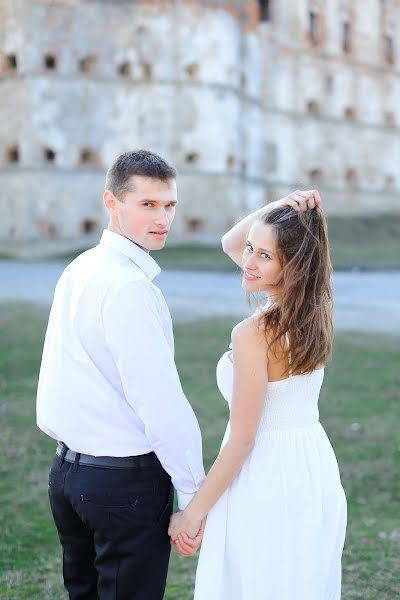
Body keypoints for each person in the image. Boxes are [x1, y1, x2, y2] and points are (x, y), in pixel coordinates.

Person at [36, 149, 207, 600]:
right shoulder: (129, 287)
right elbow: (160, 402)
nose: (162, 218)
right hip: (122, 485)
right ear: (111, 203)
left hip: (67, 477)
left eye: (169, 205)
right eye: (147, 205)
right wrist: (193, 496)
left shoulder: (80, 268)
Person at [169, 190, 347, 600]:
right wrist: (283, 207)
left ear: (293, 265)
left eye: (264, 256)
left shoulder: (253, 334)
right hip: (312, 468)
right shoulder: (314, 308)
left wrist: (193, 514)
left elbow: (244, 438)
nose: (247, 261)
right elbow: (230, 242)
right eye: (252, 249)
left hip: (265, 478)